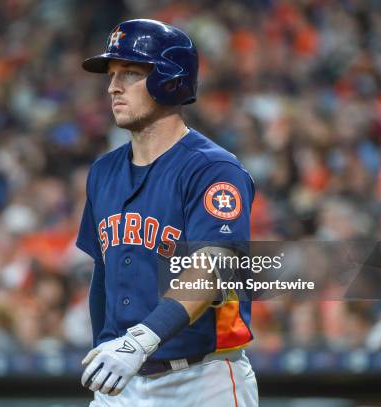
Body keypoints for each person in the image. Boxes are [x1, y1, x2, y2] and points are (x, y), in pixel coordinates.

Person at [76, 19, 258, 406]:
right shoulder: (103, 172)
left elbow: (214, 264)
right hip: (123, 382)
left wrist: (142, 339)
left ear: (169, 80)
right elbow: (103, 271)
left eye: (130, 72)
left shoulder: (213, 169)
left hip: (201, 381)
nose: (113, 87)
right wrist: (105, 348)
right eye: (111, 74)